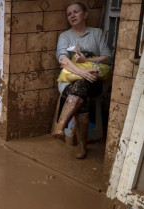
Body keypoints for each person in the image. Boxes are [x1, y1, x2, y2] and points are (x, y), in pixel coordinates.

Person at [53, 1, 112, 159]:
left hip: (94, 80)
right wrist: (81, 72)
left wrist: (87, 60)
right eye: (69, 14)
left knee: (83, 84)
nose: (72, 15)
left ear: (85, 14)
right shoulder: (65, 36)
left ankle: (61, 126)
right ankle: (82, 146)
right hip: (69, 81)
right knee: (81, 87)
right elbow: (62, 59)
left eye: (76, 12)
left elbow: (108, 57)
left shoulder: (96, 33)